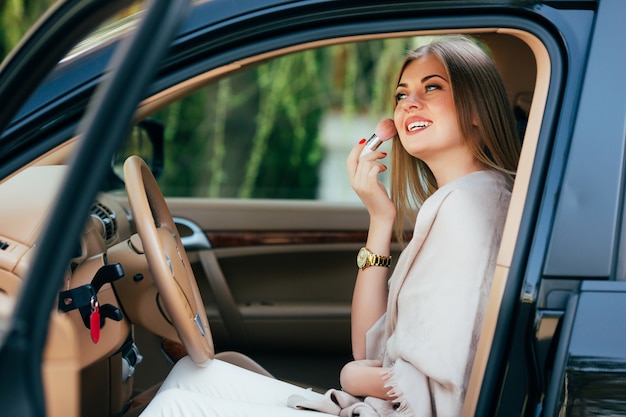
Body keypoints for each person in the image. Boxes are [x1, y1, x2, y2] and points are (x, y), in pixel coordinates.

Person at [140, 34, 520, 417]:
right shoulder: (465, 199)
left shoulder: (467, 208)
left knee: (175, 406)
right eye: (401, 95)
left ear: (477, 109)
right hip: (374, 407)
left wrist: (353, 378)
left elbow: (446, 381)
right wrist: (379, 218)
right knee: (192, 372)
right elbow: (371, 348)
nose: (410, 104)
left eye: (432, 87)